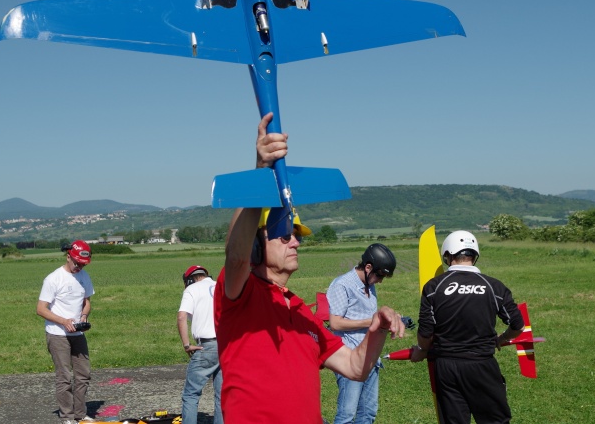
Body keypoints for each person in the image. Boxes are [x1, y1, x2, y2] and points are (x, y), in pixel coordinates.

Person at [213, 112, 405, 424]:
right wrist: (261, 174)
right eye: (285, 236)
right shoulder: (239, 295)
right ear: (257, 246)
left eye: (297, 237)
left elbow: (356, 367)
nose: (296, 244)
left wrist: (378, 327)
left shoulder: (302, 312)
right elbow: (235, 256)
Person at [410, 231, 525, 424]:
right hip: (482, 365)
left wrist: (421, 350)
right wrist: (501, 339)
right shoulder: (494, 286)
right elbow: (517, 324)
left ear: (448, 255)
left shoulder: (434, 287)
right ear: (474, 255)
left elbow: (426, 332)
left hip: (446, 368)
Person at [326, 243, 397, 424]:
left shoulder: (369, 285)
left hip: (371, 358)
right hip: (350, 357)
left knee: (368, 413)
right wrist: (371, 322)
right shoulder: (342, 285)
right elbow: (335, 322)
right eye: (380, 275)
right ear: (367, 267)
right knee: (347, 416)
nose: (380, 281)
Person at [37, 240, 96, 424]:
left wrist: (84, 316)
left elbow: (86, 301)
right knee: (64, 377)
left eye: (83, 264)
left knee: (83, 374)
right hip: (57, 334)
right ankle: (68, 417)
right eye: (77, 263)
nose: (79, 267)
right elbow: (41, 309)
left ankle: (80, 414)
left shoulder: (84, 276)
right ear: (68, 256)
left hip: (77, 334)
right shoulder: (53, 279)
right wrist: (63, 321)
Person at [177, 265, 223, 424]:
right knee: (221, 396)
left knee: (191, 394)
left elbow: (182, 317)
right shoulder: (220, 286)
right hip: (225, 345)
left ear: (189, 279)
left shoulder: (192, 289)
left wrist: (186, 344)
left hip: (205, 346)